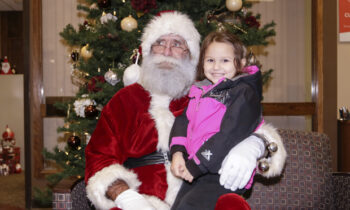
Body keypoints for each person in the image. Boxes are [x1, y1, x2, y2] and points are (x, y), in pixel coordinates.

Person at [84, 11, 287, 210]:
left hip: (203, 186)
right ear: (147, 51)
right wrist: (127, 197)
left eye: (177, 44)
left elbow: (245, 121)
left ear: (191, 54)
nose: (167, 51)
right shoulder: (125, 100)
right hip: (142, 198)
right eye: (160, 42)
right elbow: (99, 157)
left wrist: (255, 144)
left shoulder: (208, 92)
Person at [170, 31, 265, 210]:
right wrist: (177, 152)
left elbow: (229, 135)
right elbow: (183, 121)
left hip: (222, 172)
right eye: (210, 60)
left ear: (241, 63)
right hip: (198, 168)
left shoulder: (244, 93)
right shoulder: (200, 90)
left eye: (225, 60)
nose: (216, 66)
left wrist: (197, 164)